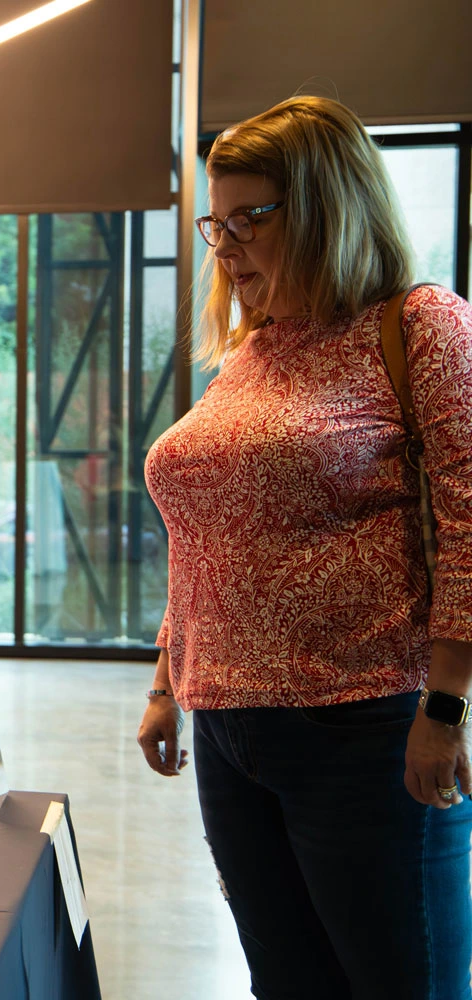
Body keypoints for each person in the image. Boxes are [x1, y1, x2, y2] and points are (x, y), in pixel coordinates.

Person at [138, 96, 472, 999]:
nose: (229, 243)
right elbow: (205, 537)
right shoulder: (250, 352)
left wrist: (445, 709)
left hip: (365, 727)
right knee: (287, 984)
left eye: (254, 217)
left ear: (330, 208)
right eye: (218, 221)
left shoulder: (417, 325)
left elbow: (471, 523)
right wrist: (168, 683)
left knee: (403, 983)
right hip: (230, 735)